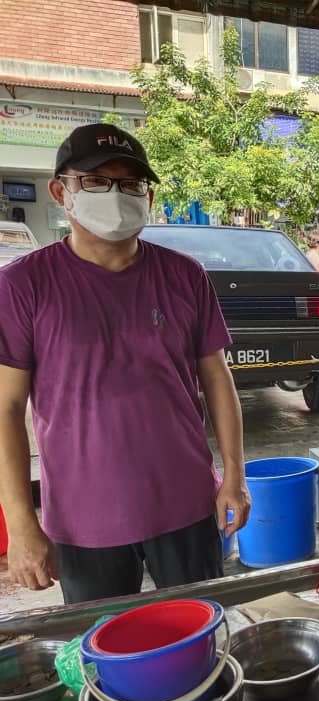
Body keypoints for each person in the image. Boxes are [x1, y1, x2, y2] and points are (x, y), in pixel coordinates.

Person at [0, 123, 250, 604]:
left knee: (198, 643)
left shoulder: (184, 276)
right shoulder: (23, 286)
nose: (117, 195)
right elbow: (7, 411)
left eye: (132, 184)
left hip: (186, 506)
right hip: (83, 520)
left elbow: (217, 379)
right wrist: (20, 523)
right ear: (60, 191)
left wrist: (234, 479)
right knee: (106, 656)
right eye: (97, 182)